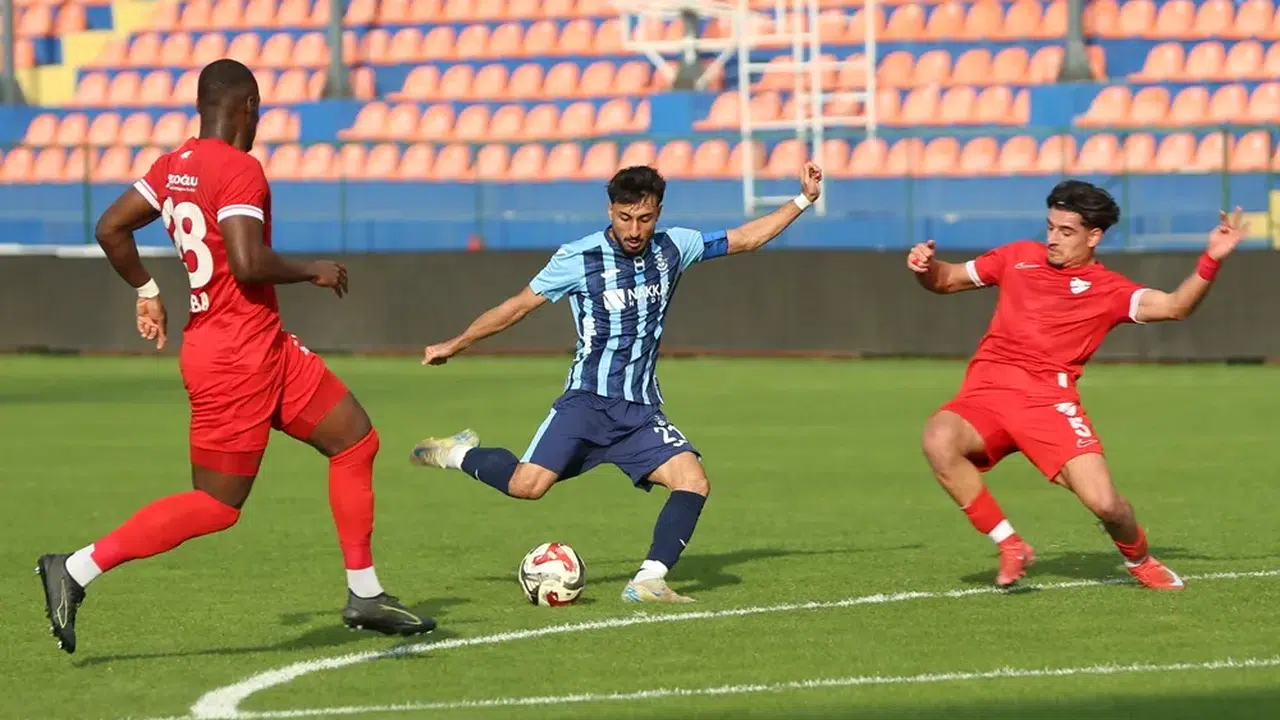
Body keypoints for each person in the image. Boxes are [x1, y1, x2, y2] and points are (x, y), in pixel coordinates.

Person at [35, 59, 433, 655]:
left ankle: (366, 594)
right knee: (217, 505)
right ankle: (75, 568)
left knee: (355, 440)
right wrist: (312, 269)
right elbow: (247, 263)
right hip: (234, 359)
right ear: (248, 107)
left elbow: (110, 227)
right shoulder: (240, 168)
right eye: (259, 109)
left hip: (261, 344)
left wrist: (146, 289)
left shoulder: (173, 166)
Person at [411, 163, 823, 603]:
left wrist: (804, 199)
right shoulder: (578, 258)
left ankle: (648, 580)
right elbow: (516, 307)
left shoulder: (675, 247)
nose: (634, 229)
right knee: (525, 486)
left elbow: (747, 238)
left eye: (644, 218)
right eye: (625, 218)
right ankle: (456, 452)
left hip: (640, 411)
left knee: (693, 481)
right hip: (586, 404)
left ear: (658, 213)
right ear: (610, 211)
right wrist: (456, 343)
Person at [908, 179, 1247, 590]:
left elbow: (1176, 306)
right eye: (1050, 227)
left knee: (1106, 505)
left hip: (1048, 404)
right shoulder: (1017, 257)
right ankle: (1010, 544)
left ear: (1094, 236)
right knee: (938, 438)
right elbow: (946, 279)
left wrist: (1211, 259)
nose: (1053, 238)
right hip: (987, 394)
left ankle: (1140, 560)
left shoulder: (1109, 290)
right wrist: (925, 268)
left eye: (1066, 231)